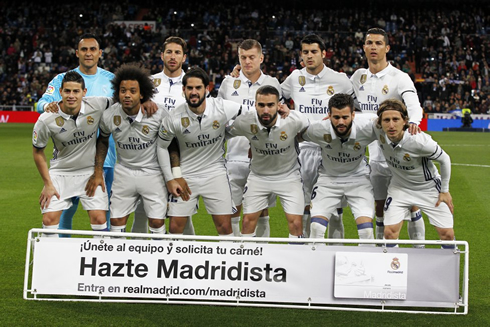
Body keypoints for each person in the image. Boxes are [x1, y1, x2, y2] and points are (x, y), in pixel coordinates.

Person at [88, 64, 183, 236]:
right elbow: (102, 140)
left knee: (156, 221)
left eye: (133, 91)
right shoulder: (109, 115)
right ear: (117, 92)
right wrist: (97, 172)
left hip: (152, 173)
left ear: (141, 94)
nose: (127, 95)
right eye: (123, 90)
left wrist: (174, 176)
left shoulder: (158, 114)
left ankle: (158, 257)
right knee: (116, 220)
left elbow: (172, 144)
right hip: (124, 171)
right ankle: (119, 259)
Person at [351, 28, 425, 244]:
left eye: (378, 43)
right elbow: (347, 105)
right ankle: (383, 253)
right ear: (364, 47)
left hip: (400, 152)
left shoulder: (399, 78)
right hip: (375, 155)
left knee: (412, 205)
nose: (373, 47)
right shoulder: (358, 77)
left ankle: (418, 251)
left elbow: (414, 106)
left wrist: (413, 122)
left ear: (387, 48)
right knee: (379, 206)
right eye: (369, 43)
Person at [37, 34, 116, 236]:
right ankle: (63, 254)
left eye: (92, 49)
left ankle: (102, 258)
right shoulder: (63, 80)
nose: (88, 53)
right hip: (71, 158)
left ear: (100, 53)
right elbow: (40, 104)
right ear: (77, 53)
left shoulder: (111, 80)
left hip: (107, 157)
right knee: (65, 210)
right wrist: (48, 105)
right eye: (84, 49)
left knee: (103, 212)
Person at [281, 34, 354, 238]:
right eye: (305, 52)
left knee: (336, 209)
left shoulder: (339, 79)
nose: (309, 56)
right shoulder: (295, 78)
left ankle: (334, 251)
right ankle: (304, 249)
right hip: (303, 148)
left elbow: (354, 107)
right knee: (304, 204)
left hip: (332, 149)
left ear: (323, 53)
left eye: (314, 52)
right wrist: (284, 108)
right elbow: (277, 95)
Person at [157, 67, 242, 237]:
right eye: (189, 88)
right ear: (183, 90)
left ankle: (230, 262)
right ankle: (180, 262)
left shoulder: (223, 107)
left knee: (225, 227)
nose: (194, 92)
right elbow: (161, 146)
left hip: (215, 173)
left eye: (198, 88)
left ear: (207, 89)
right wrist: (172, 178)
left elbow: (253, 117)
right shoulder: (174, 118)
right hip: (186, 175)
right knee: (174, 228)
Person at [218, 39, 281, 237]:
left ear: (261, 58)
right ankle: (237, 255)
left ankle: (263, 253)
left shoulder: (272, 83)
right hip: (235, 155)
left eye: (252, 57)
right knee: (233, 208)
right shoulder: (228, 83)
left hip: (263, 158)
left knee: (262, 209)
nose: (247, 61)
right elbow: (220, 116)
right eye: (243, 57)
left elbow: (280, 118)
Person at [227, 85, 308, 239]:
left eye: (270, 105)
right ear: (255, 105)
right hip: (258, 177)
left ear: (279, 105)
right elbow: (224, 132)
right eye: (261, 105)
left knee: (296, 224)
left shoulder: (294, 120)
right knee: (247, 222)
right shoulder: (245, 121)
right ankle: (248, 260)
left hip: (289, 177)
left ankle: (296, 260)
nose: (265, 110)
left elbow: (311, 131)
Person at [375, 99, 455, 247]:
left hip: (428, 189)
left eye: (396, 119)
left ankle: (449, 268)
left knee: (447, 235)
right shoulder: (377, 130)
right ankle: (394, 268)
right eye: (386, 120)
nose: (391, 125)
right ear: (379, 122)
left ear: (405, 121)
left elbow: (445, 159)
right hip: (399, 188)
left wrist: (444, 190)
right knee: (389, 233)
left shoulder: (419, 141)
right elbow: (356, 118)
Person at [136, 36, 195, 235]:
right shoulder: (148, 83)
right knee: (143, 212)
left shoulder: (193, 84)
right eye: (169, 52)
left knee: (181, 213)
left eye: (177, 52)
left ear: (184, 57)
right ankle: (136, 260)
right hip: (149, 156)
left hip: (182, 157)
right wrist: (140, 104)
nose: (172, 56)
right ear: (162, 55)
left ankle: (190, 260)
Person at [300, 93, 376, 244]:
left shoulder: (368, 128)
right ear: (328, 115)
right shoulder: (319, 129)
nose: (341, 121)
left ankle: (367, 264)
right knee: (316, 228)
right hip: (328, 180)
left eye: (345, 117)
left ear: (353, 115)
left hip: (358, 180)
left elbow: (390, 124)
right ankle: (315, 264)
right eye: (336, 117)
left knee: (366, 231)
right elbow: (295, 136)